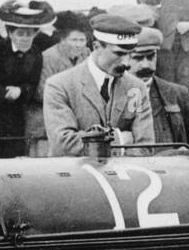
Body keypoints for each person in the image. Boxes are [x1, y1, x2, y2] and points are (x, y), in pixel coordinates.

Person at [42, 14, 153, 157]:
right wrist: (121, 139)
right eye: (118, 54)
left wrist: (90, 141)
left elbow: (146, 145)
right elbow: (63, 144)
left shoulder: (135, 88)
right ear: (96, 47)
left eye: (130, 54)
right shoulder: (59, 86)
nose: (126, 63)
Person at [0, 0, 53, 157]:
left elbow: (32, 84)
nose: (25, 38)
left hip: (18, 115)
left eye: (29, 34)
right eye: (20, 34)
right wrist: (3, 92)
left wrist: (21, 91)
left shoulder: (35, 54)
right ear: (10, 33)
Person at [126, 27, 189, 150]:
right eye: (138, 58)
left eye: (150, 57)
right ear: (125, 58)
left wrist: (188, 150)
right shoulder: (115, 93)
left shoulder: (176, 93)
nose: (146, 65)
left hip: (171, 165)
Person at [39, 11, 89, 100]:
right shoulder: (49, 57)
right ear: (62, 40)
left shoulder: (86, 53)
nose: (78, 45)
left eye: (82, 40)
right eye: (74, 40)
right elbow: (43, 91)